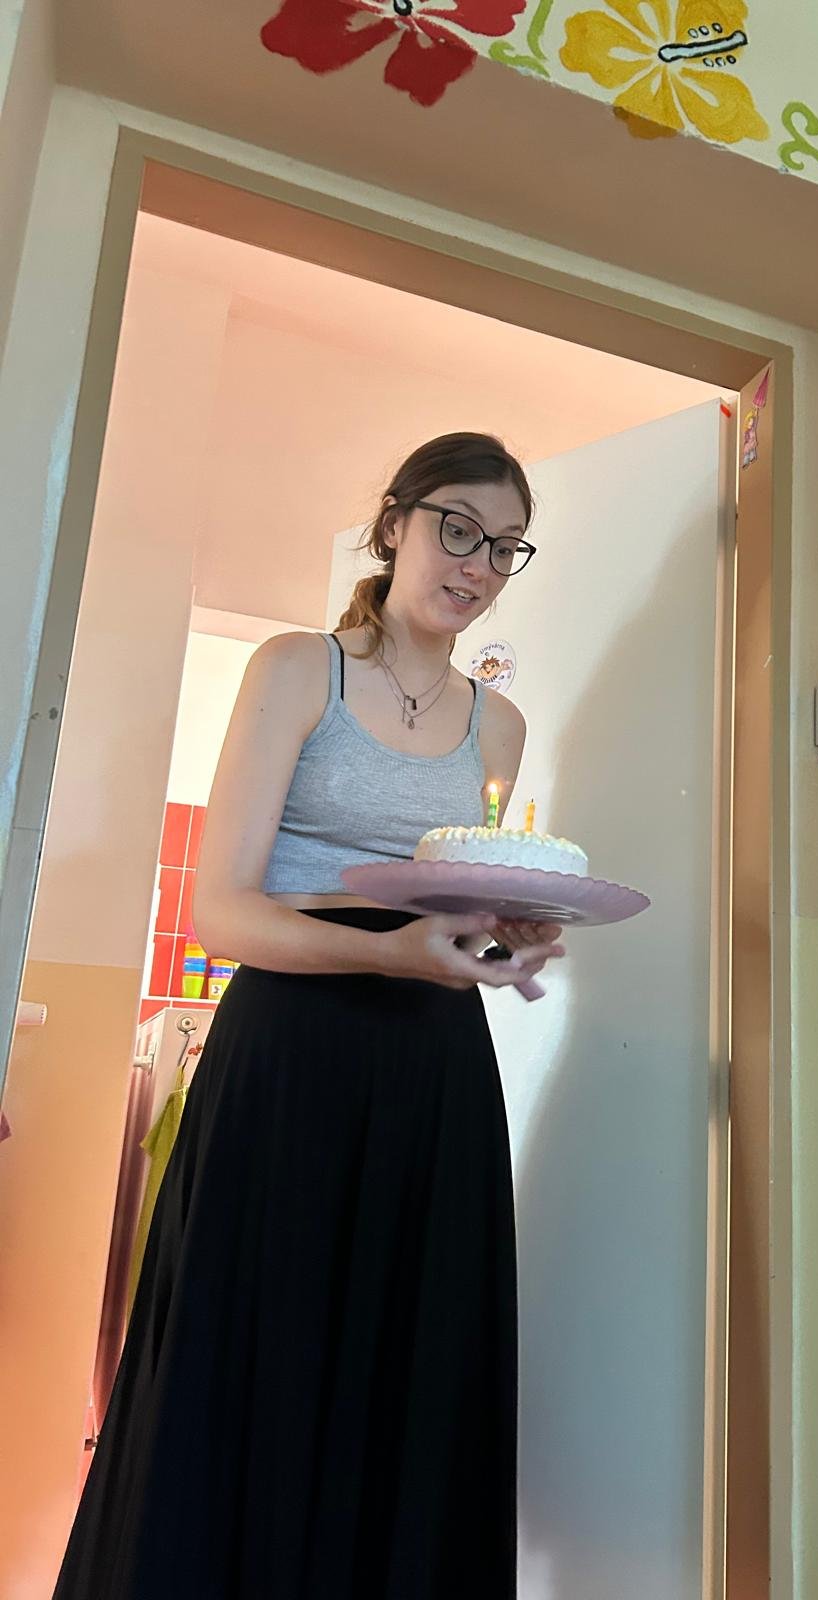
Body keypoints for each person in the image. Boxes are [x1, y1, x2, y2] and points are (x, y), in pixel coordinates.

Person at [53, 433, 564, 1599]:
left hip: (433, 1069)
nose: (479, 563)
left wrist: (510, 934)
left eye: (505, 546)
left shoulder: (501, 726)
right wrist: (389, 954)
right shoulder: (298, 670)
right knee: (252, 1353)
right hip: (288, 1051)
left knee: (408, 1367)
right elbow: (219, 912)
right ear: (394, 524)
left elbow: (461, 907)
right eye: (458, 528)